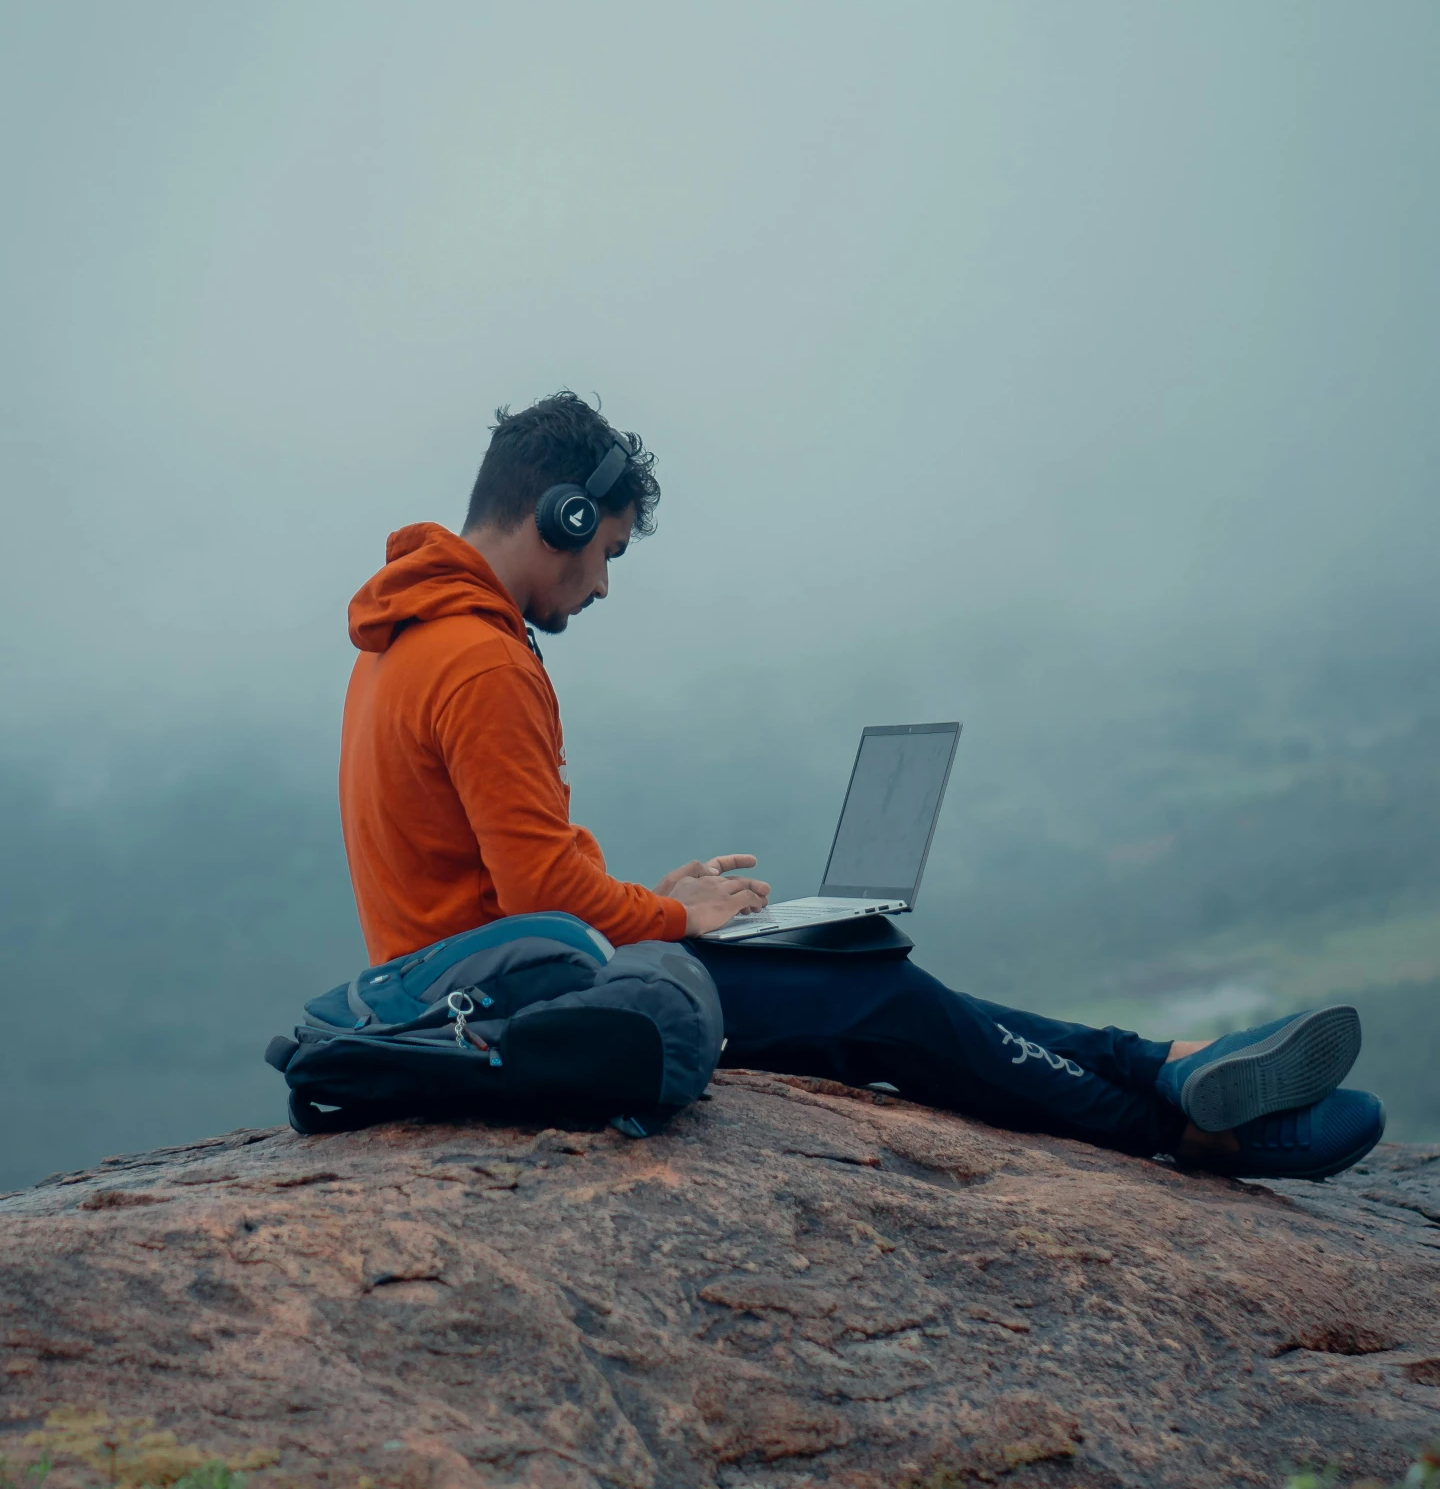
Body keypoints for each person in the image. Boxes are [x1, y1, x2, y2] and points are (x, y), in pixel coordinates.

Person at [338, 394, 1383, 1181]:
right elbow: (531, 893)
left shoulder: (406, 639)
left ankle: (1160, 1059)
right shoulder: (482, 660)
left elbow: (512, 877)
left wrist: (652, 908)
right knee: (880, 999)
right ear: (562, 517)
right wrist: (661, 915)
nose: (603, 583)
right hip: (517, 1010)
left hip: (479, 988)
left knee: (858, 962)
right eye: (605, 551)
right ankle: (1187, 1126)